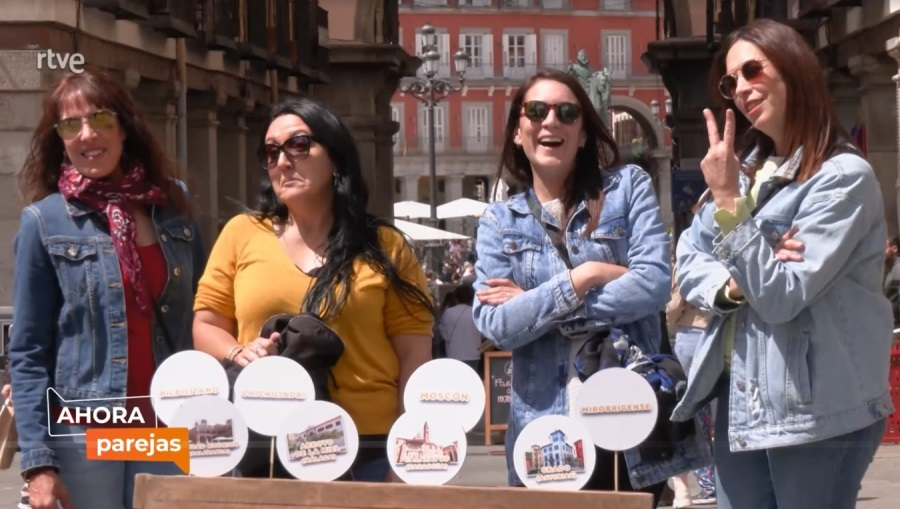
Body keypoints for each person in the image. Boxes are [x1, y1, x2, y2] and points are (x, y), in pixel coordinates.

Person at [672, 19, 893, 509]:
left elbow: (779, 296)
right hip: (741, 394)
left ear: (793, 67)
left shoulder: (841, 178)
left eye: (753, 70)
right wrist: (733, 285)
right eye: (731, 82)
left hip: (814, 406)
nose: (742, 89)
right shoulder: (746, 169)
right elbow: (688, 257)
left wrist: (730, 203)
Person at [471, 68, 711, 504]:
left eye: (567, 112)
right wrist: (587, 276)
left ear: (583, 133)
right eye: (536, 111)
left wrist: (543, 305)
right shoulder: (497, 221)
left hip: (630, 418)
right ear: (517, 132)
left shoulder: (627, 188)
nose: (551, 122)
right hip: (544, 430)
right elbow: (496, 323)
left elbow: (655, 285)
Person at [191, 97, 434, 482]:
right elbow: (205, 325)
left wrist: (405, 457)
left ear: (335, 157)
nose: (283, 161)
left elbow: (414, 354)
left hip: (368, 446)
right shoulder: (241, 233)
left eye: (298, 146)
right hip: (265, 444)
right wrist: (238, 351)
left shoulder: (385, 245)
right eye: (271, 152)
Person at [9, 68, 204, 509]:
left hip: (167, 424)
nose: (86, 135)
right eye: (69, 125)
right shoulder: (45, 222)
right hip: (86, 430)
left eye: (99, 119)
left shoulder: (171, 207)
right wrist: (38, 463)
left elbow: (205, 312)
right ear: (58, 139)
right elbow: (28, 350)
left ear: (124, 127)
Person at [665, 263, 716, 507]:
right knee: (722, 412)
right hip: (726, 330)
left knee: (689, 410)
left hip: (690, 331)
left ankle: (696, 485)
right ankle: (721, 480)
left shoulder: (690, 254)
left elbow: (676, 302)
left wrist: (672, 323)